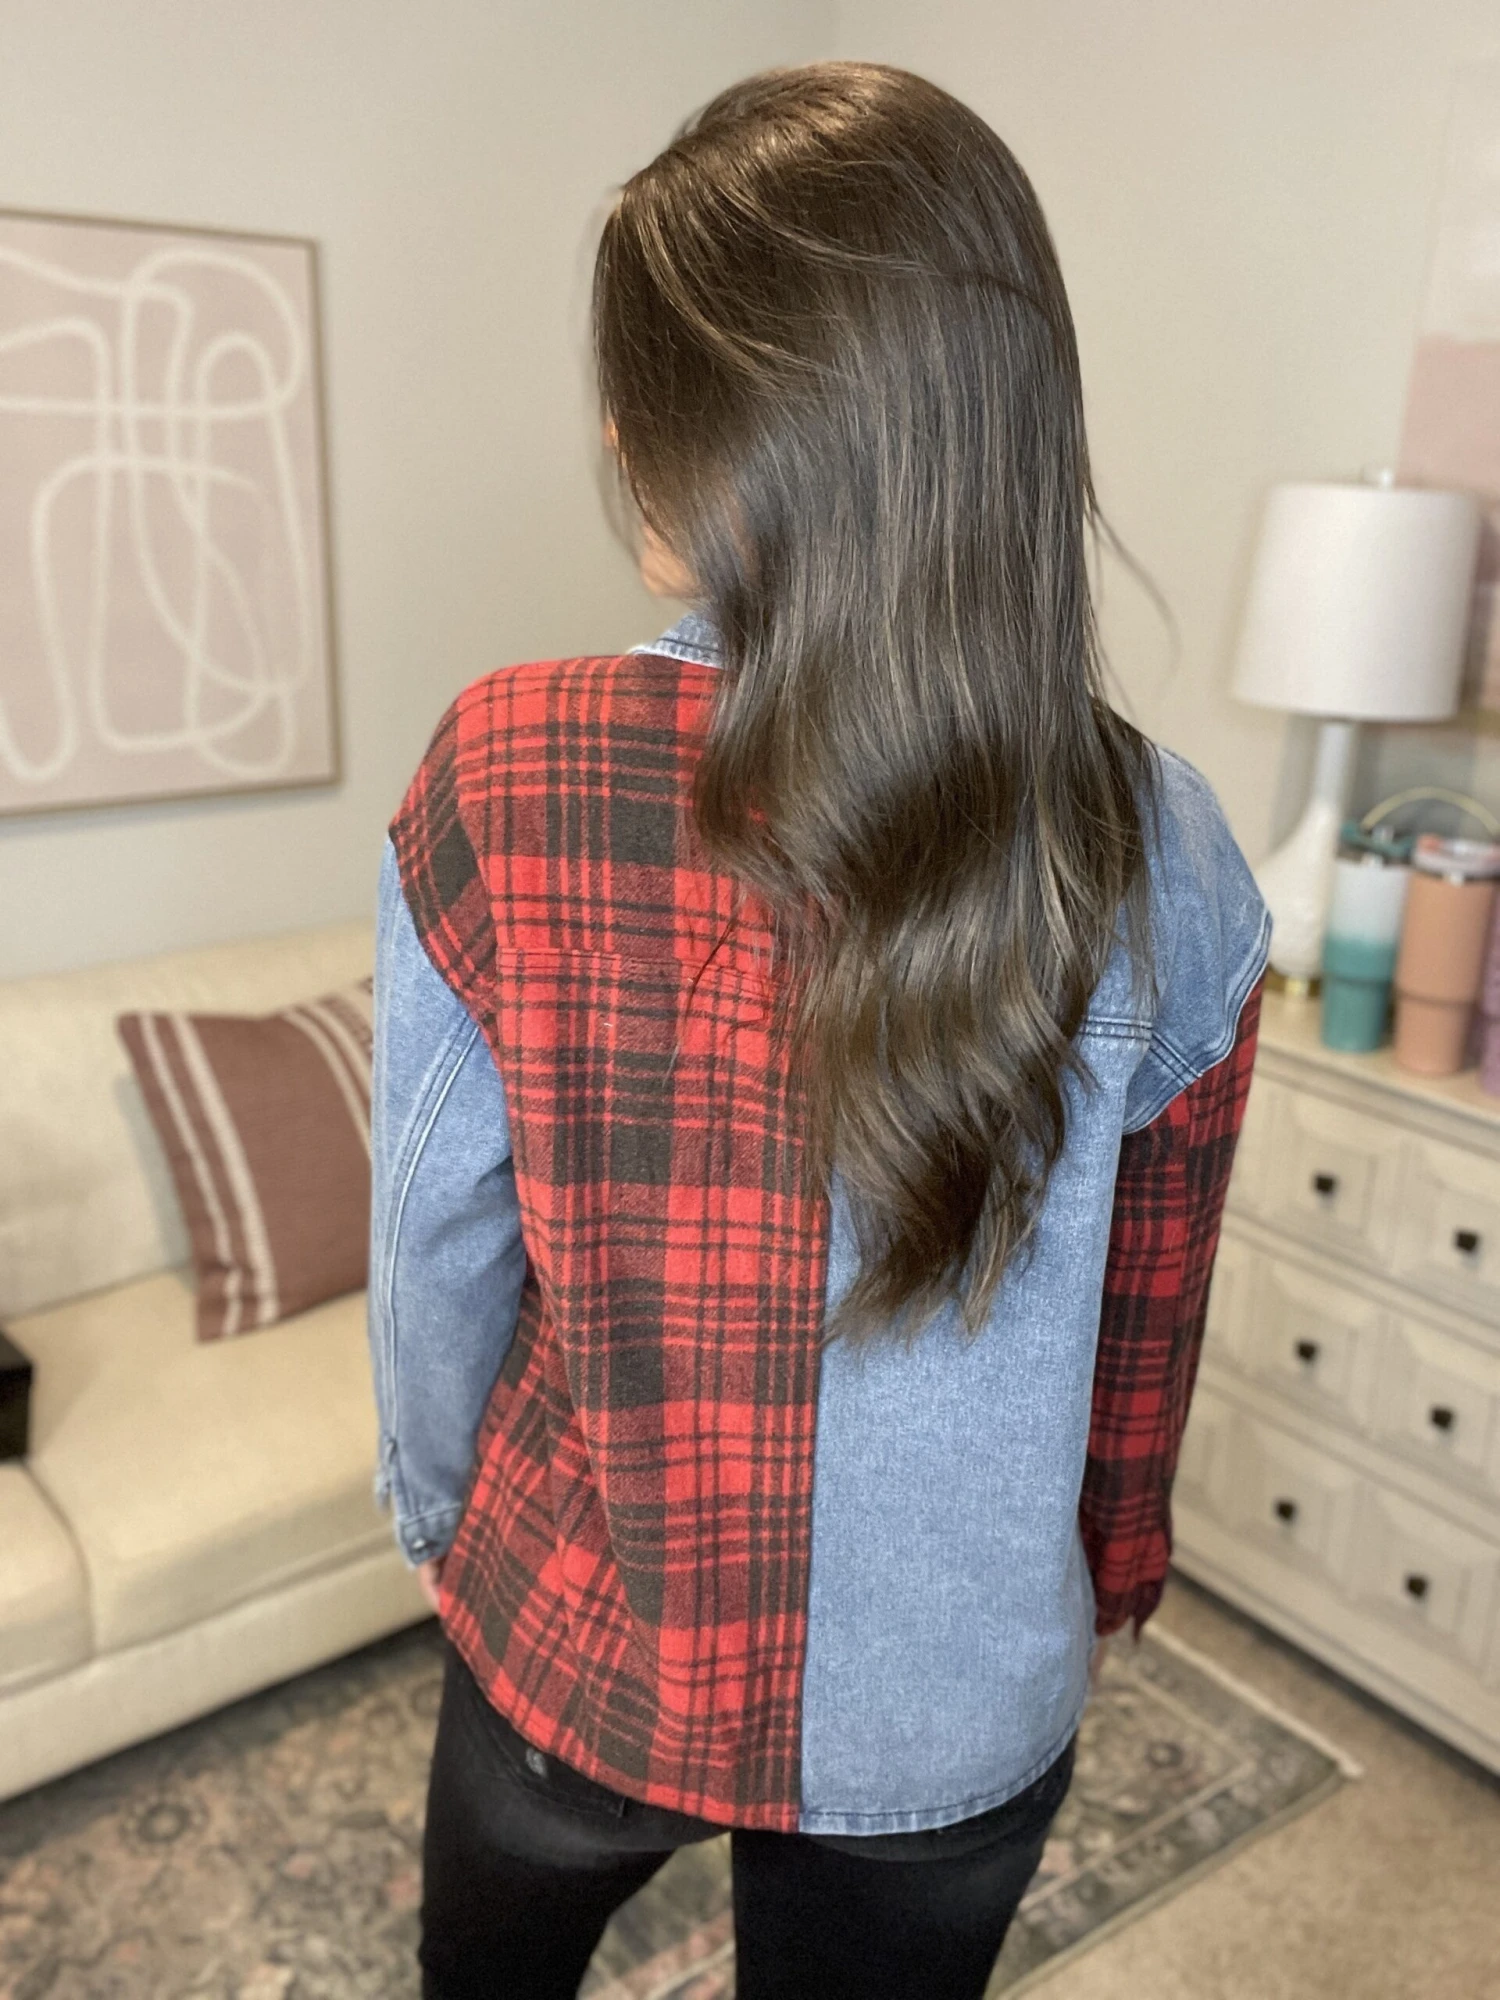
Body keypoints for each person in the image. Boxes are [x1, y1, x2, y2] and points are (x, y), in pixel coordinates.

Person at [368, 59, 1270, 2000]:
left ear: (683, 449)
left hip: (583, 1629)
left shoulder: (507, 767)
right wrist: (1115, 1554)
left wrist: (440, 1509)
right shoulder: (1160, 834)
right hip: (953, 1702)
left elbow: (437, 1238)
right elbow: (1154, 1298)